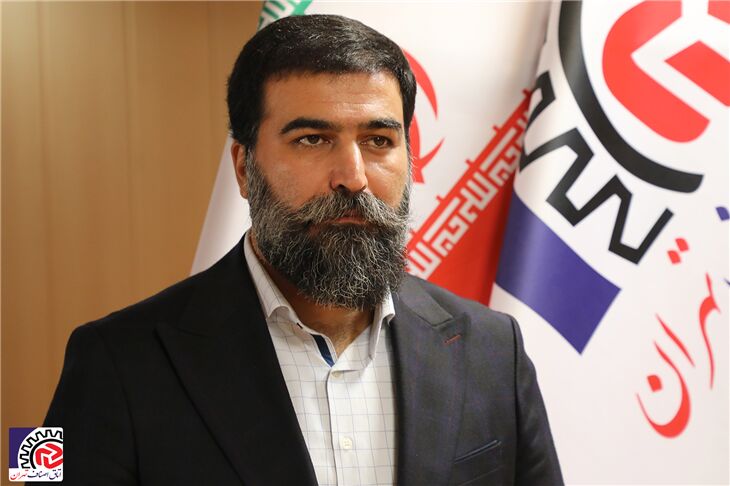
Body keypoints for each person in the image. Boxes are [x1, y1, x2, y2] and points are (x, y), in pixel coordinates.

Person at [43, 14, 563, 486]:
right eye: (313, 139)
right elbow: (34, 472)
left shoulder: (494, 349)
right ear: (244, 168)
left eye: (379, 141)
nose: (353, 177)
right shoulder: (110, 359)